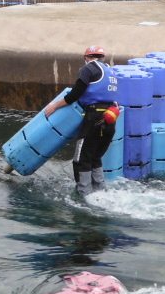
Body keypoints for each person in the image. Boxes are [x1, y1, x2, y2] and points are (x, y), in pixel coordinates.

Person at [43, 45, 119, 196]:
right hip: (110, 117)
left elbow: (75, 94)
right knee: (95, 157)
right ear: (102, 57)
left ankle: (85, 196)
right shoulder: (111, 71)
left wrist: (54, 106)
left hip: (94, 117)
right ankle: (100, 193)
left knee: (81, 160)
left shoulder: (88, 69)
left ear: (86, 57)